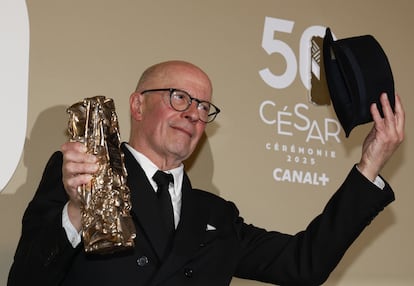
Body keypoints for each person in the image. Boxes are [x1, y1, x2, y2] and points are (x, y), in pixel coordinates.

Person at [8, 60, 405, 286]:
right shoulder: (83, 174)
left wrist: (369, 163)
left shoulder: (218, 217)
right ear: (137, 105)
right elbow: (26, 279)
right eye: (179, 97)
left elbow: (305, 263)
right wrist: (76, 215)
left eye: (203, 107)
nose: (192, 113)